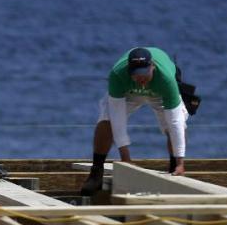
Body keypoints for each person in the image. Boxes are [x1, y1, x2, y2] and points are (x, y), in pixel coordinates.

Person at [80, 46, 189, 196]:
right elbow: (117, 117)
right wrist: (126, 159)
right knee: (107, 120)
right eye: (136, 74)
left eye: (144, 73)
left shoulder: (166, 79)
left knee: (177, 124)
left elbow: (175, 121)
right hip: (129, 92)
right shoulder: (118, 75)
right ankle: (96, 172)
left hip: (159, 93)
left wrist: (180, 163)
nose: (141, 78)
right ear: (129, 72)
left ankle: (174, 169)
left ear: (152, 67)